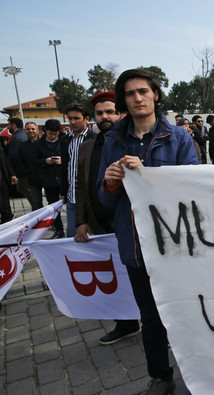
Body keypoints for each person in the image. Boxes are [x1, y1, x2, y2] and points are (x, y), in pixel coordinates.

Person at [98, 68, 198, 395]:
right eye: (129, 93)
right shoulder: (112, 141)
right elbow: (105, 202)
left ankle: (207, 374)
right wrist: (112, 182)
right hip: (137, 249)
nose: (137, 97)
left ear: (155, 94)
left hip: (177, 246)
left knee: (194, 311)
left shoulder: (179, 138)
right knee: (151, 318)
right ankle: (161, 377)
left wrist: (150, 176)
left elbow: (191, 190)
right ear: (123, 101)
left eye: (143, 90)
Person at [75, 91, 141, 344]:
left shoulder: (133, 142)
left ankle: (160, 326)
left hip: (132, 221)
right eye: (100, 113)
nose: (105, 117)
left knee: (143, 277)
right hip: (100, 224)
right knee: (112, 277)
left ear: (121, 113)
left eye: (110, 111)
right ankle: (125, 324)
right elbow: (81, 186)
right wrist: (81, 220)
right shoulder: (87, 147)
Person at [61, 103, 97, 236]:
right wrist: (63, 190)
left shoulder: (94, 138)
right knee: (72, 234)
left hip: (89, 196)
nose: (72, 122)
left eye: (76, 118)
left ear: (86, 119)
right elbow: (65, 166)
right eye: (70, 118)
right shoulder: (65, 140)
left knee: (92, 233)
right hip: (71, 196)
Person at [34, 120, 65, 238]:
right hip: (49, 179)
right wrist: (45, 161)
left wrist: (62, 160)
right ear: (45, 131)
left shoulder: (64, 140)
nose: (53, 136)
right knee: (53, 206)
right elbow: (33, 161)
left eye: (55, 134)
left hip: (63, 177)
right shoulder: (38, 144)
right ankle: (59, 229)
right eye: (51, 134)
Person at [15, 122, 43, 210]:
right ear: (25, 131)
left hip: (45, 177)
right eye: (28, 129)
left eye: (33, 129)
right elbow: (19, 161)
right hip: (31, 178)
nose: (31, 131)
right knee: (35, 203)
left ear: (37, 131)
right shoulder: (22, 146)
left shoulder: (43, 144)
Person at [6, 118, 31, 204]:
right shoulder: (23, 135)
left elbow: (13, 157)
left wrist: (11, 172)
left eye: (9, 125)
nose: (7, 127)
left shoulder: (16, 138)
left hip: (22, 171)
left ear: (14, 125)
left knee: (27, 191)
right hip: (27, 169)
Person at [0, 139, 17, 223]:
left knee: (5, 203)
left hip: (2, 178)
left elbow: (5, 161)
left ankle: (6, 223)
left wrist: (12, 174)